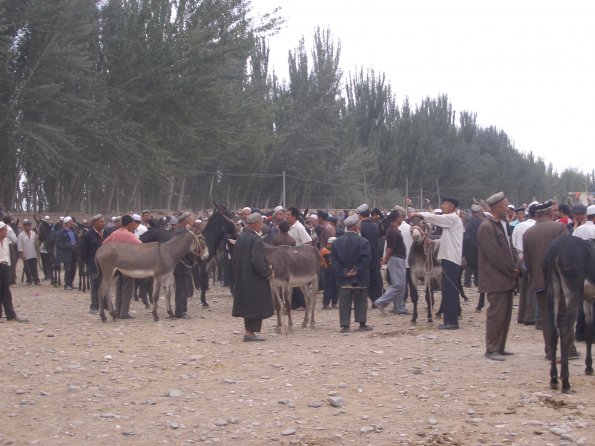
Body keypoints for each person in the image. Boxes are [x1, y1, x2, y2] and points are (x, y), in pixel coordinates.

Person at [522, 201, 577, 359]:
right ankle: (568, 349)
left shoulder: (528, 233)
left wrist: (536, 276)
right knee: (563, 315)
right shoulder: (559, 227)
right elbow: (567, 252)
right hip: (559, 281)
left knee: (547, 317)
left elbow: (527, 261)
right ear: (549, 213)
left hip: (540, 282)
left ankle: (550, 351)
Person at [477, 192, 520, 361]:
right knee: (496, 315)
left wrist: (516, 265)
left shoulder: (502, 224)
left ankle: (500, 347)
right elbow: (494, 255)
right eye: (505, 206)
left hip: (506, 277)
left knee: (506, 315)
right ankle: (492, 348)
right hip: (495, 278)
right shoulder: (486, 227)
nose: (507, 209)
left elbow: (511, 248)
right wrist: (511, 269)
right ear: (496, 208)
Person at [412, 196, 464, 329]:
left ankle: (452, 322)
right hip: (447, 258)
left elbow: (436, 218)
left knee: (450, 290)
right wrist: (434, 243)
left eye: (445, 204)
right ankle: (448, 320)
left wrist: (419, 214)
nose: (442, 206)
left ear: (452, 206)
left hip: (451, 259)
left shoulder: (452, 218)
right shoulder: (451, 222)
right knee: (446, 290)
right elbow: (447, 240)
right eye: (442, 204)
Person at [231, 212, 274, 341]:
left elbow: (235, 259)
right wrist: (267, 273)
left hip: (243, 277)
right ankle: (250, 333)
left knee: (248, 305)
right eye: (260, 223)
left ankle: (249, 331)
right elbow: (257, 261)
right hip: (254, 279)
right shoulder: (256, 239)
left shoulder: (241, 237)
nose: (262, 225)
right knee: (255, 305)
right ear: (255, 224)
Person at [330, 214, 372, 333]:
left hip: (343, 279)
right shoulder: (364, 242)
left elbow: (333, 260)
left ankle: (345, 325)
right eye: (359, 224)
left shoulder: (336, 243)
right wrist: (356, 270)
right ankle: (362, 323)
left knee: (344, 301)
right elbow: (366, 260)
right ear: (355, 227)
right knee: (361, 300)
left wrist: (344, 272)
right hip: (360, 278)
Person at [103, 215, 140, 319]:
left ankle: (118, 310)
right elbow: (141, 246)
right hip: (127, 263)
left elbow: (104, 243)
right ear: (129, 224)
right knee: (128, 288)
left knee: (119, 287)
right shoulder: (129, 235)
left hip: (116, 264)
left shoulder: (114, 233)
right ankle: (124, 312)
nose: (134, 226)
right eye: (133, 224)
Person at [373, 210, 408, 315]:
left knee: (400, 285)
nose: (402, 219)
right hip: (396, 259)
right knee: (398, 285)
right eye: (401, 217)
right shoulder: (393, 231)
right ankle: (381, 302)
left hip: (397, 259)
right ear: (397, 218)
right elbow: (390, 248)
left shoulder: (392, 229)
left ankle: (398, 308)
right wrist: (385, 258)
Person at [512, 202, 537, 324]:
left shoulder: (519, 226)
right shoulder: (535, 226)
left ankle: (521, 316)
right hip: (531, 259)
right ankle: (530, 316)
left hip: (519, 258)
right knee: (532, 288)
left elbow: (514, 244)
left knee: (523, 288)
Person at [79, 214, 107, 313]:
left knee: (105, 284)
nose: (104, 224)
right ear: (94, 223)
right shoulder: (88, 236)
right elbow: (83, 252)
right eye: (101, 222)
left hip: (107, 265)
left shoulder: (107, 233)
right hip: (94, 265)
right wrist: (89, 262)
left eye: (104, 222)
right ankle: (95, 306)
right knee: (95, 285)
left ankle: (106, 305)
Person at [357, 204, 383, 305]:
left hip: (363, 258)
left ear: (360, 215)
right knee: (375, 281)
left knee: (363, 280)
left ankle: (362, 302)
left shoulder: (359, 227)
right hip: (374, 257)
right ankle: (376, 301)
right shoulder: (375, 226)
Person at [0, 222, 27, 322]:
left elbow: (7, 255)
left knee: (6, 292)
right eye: (5, 230)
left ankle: (10, 315)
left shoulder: (6, 241)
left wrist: (9, 267)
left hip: (5, 267)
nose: (6, 232)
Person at [172, 212, 195, 318]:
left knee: (184, 287)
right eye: (191, 219)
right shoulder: (181, 232)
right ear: (186, 220)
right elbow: (181, 249)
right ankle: (180, 312)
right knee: (181, 288)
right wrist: (190, 260)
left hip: (184, 263)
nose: (193, 220)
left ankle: (183, 310)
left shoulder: (183, 231)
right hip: (182, 263)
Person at [17, 219, 41, 285]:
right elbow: (20, 246)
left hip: (33, 253)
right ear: (24, 226)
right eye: (27, 226)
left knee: (34, 267)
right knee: (27, 268)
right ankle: (29, 280)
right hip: (26, 254)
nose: (29, 227)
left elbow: (36, 243)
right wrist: (22, 255)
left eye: (29, 226)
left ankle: (36, 280)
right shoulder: (21, 235)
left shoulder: (33, 233)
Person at [56, 216, 77, 290]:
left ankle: (71, 283)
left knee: (73, 269)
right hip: (66, 254)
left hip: (74, 253)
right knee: (68, 269)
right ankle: (67, 284)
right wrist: (69, 245)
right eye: (71, 221)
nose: (72, 223)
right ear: (67, 223)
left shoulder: (73, 231)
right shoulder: (60, 233)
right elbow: (59, 244)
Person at [320, 236, 338, 309]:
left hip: (334, 270)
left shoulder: (334, 250)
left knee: (335, 287)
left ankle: (334, 303)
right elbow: (325, 261)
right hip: (328, 270)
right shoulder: (324, 251)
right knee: (328, 287)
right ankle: (326, 303)